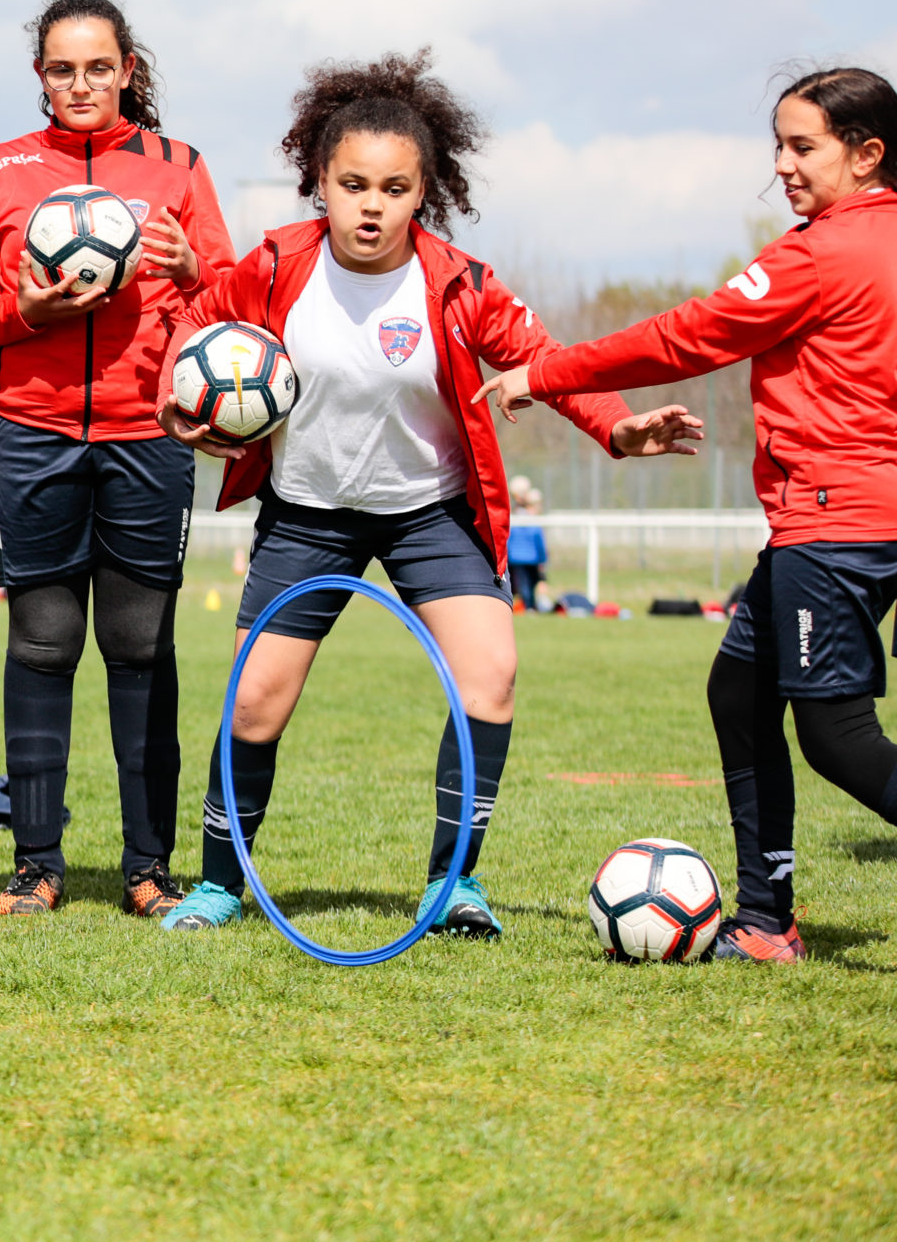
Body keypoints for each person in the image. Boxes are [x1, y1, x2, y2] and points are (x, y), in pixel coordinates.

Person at [156, 51, 701, 936]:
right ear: (320, 182)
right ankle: (221, 881)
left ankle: (454, 884)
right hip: (307, 513)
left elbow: (546, 358)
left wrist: (618, 426)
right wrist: (176, 404)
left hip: (431, 513)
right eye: (354, 183)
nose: (372, 204)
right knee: (255, 700)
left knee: (491, 676)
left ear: (424, 192)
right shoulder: (273, 265)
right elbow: (193, 324)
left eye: (396, 187)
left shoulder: (457, 281)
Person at [479, 65, 897, 962]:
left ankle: (765, 916)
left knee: (838, 736)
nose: (781, 165)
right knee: (738, 692)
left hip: (838, 521)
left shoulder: (822, 253)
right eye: (776, 145)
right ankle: (763, 918)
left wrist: (545, 373)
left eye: (802, 146)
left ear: (868, 156)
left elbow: (686, 334)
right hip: (828, 523)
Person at [0, 0, 237, 921]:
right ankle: (37, 864)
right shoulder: (2, 171)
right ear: (39, 74)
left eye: (99, 67)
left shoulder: (178, 169)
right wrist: (27, 313)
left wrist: (195, 274)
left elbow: (227, 309)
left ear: (128, 71)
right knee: (41, 644)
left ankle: (149, 868)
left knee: (140, 644)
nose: (81, 84)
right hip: (32, 434)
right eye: (62, 68)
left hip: (147, 437)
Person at [504, 477, 550, 611]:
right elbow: (539, 540)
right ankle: (528, 606)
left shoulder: (514, 518)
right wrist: (543, 558)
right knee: (529, 584)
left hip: (516, 558)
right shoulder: (532, 521)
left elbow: (508, 539)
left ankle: (528, 606)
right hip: (531, 558)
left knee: (523, 584)